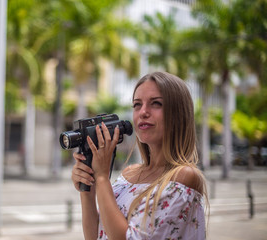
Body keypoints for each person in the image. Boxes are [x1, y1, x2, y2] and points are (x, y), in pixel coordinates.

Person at [71, 71, 209, 240]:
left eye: (156, 103)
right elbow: (96, 236)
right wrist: (88, 189)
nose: (143, 112)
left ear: (178, 115)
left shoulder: (182, 177)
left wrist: (101, 178)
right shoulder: (129, 174)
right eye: (137, 104)